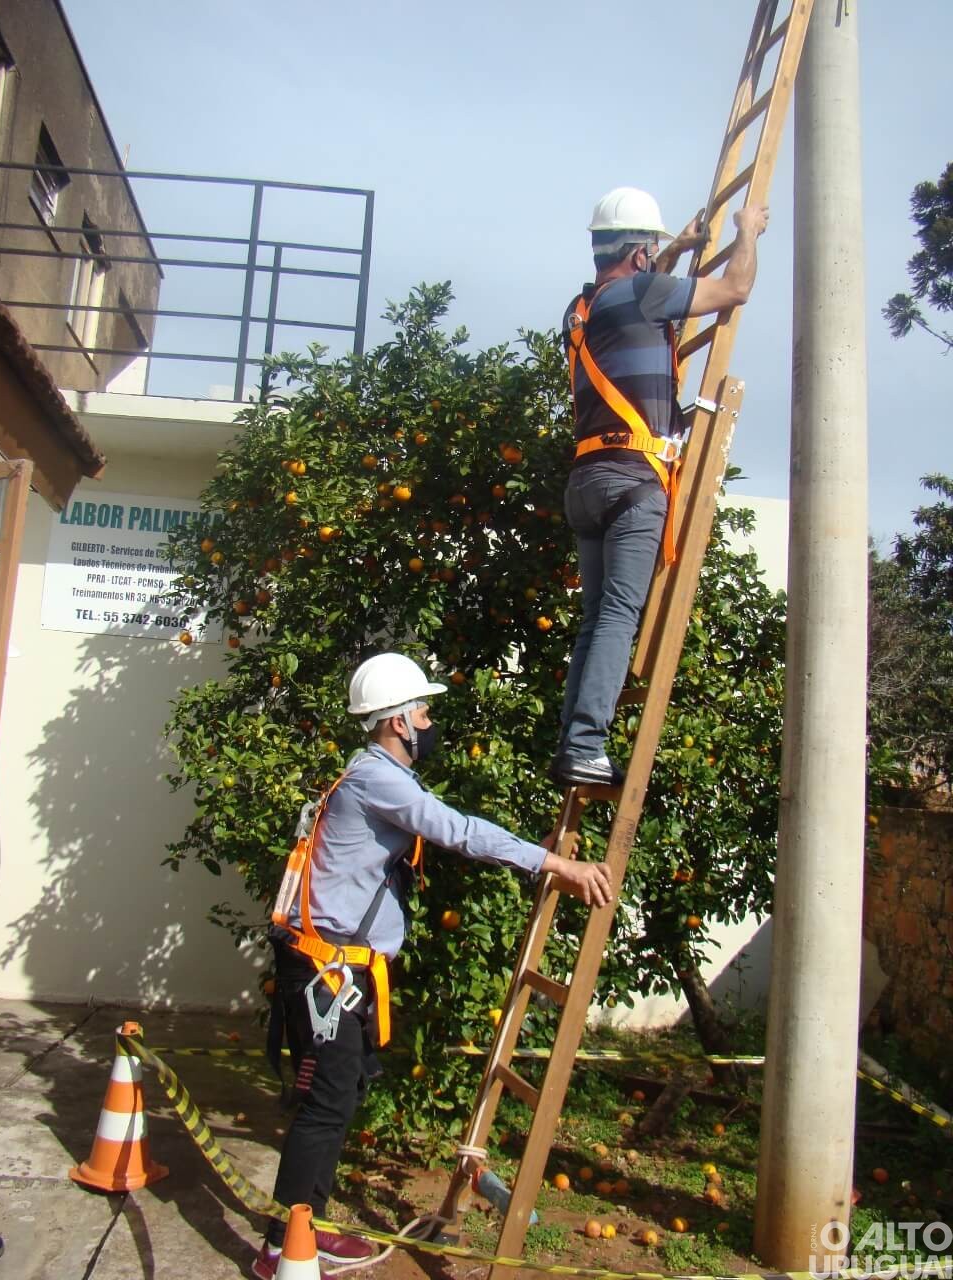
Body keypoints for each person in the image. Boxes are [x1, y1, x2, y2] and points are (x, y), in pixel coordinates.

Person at [254, 652, 612, 1279]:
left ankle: (311, 1225)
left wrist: (535, 852)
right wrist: (556, 864)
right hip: (327, 975)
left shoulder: (377, 776)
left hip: (342, 973)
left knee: (344, 1093)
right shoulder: (379, 779)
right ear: (397, 722)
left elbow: (448, 830)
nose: (427, 719)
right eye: (422, 709)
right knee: (327, 1104)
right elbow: (458, 830)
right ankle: (283, 1248)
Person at [550, 186, 769, 787]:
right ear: (640, 252)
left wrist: (674, 249)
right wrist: (745, 230)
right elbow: (735, 290)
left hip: (588, 479)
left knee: (596, 618)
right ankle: (586, 742)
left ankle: (575, 744)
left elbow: (644, 285)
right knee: (618, 615)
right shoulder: (644, 292)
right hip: (632, 479)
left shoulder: (583, 309)